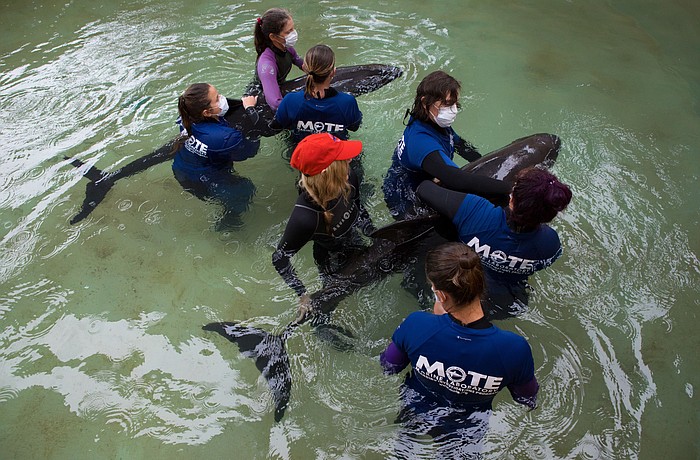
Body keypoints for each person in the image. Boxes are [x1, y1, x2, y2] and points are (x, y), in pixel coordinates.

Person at [380, 242, 538, 456]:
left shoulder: (416, 325)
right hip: (469, 426)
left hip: (415, 409)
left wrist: (435, 327)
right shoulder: (514, 348)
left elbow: (389, 366)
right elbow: (526, 398)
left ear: (442, 296)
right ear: (480, 284)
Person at [417, 167, 572, 318]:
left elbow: (423, 189)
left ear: (512, 200)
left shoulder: (476, 211)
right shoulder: (551, 243)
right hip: (504, 303)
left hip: (457, 293)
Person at [382, 70, 511, 221]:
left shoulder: (431, 121)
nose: (453, 110)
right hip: (405, 198)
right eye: (447, 104)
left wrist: (486, 162)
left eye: (455, 104)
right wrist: (509, 188)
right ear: (425, 103)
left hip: (428, 178)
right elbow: (456, 180)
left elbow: (460, 145)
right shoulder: (420, 140)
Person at [272, 133, 375, 315]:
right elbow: (280, 258)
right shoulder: (305, 217)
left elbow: (359, 210)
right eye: (343, 159)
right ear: (330, 171)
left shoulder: (350, 177)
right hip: (330, 258)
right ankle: (321, 327)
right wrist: (302, 294)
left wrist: (373, 233)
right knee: (325, 306)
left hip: (354, 240)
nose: (350, 159)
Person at [172, 83, 260, 230]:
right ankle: (229, 222)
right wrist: (251, 110)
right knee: (246, 189)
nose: (222, 98)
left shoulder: (187, 114)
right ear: (206, 113)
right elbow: (250, 150)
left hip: (180, 170)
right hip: (203, 182)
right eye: (217, 98)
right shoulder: (224, 138)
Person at [271, 44, 362, 142]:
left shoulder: (290, 101)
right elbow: (354, 127)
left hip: (301, 153)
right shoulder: (347, 102)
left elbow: (276, 126)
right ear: (333, 72)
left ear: (305, 68)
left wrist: (251, 108)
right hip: (337, 153)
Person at [249, 8, 305, 111]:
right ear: (273, 37)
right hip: (260, 98)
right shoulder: (267, 64)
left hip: (278, 87)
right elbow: (275, 104)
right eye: (288, 32)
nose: (294, 34)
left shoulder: (286, 48)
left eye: (293, 29)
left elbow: (302, 64)